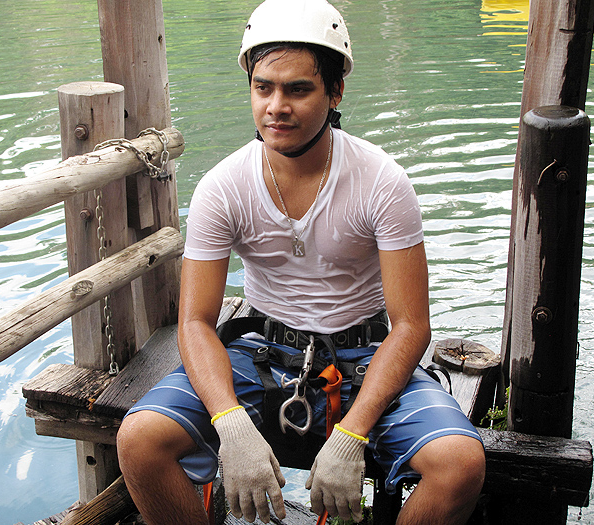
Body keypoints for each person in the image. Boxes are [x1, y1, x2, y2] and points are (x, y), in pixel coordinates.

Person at [116, 0, 485, 523]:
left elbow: (410, 326)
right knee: (139, 439)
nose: (275, 107)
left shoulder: (380, 181)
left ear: (335, 92)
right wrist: (231, 424)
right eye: (263, 87)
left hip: (365, 355)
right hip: (261, 352)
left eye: (298, 89)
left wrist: (352, 435)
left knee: (459, 462)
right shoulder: (224, 186)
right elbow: (196, 321)